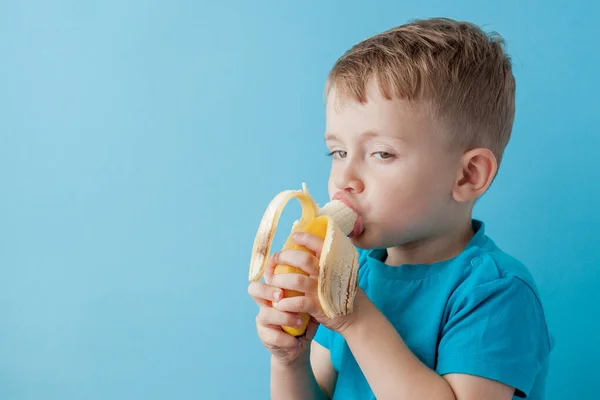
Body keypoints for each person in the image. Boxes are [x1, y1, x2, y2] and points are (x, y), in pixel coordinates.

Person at [247, 17, 553, 399]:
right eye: (338, 152)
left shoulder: (495, 293)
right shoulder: (355, 274)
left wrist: (354, 318)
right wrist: (289, 359)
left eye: (381, 153)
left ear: (467, 176)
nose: (346, 178)